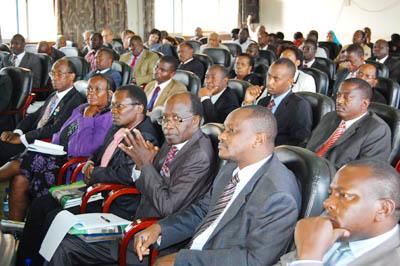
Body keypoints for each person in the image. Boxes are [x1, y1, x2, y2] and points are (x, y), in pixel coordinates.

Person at [47, 92, 217, 266]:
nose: (168, 125)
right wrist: (140, 166)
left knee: (67, 247)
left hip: (154, 240)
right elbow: (147, 181)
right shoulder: (176, 138)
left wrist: (145, 165)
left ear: (195, 120)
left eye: (176, 118)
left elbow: (168, 207)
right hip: (135, 223)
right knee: (62, 238)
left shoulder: (199, 155)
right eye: (165, 119)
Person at [130, 105, 301, 266]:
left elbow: (254, 260)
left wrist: (183, 260)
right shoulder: (232, 167)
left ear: (258, 139)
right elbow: (203, 211)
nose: (222, 136)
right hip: (196, 251)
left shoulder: (279, 195)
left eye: (231, 131)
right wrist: (160, 228)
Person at [16, 85, 161, 266]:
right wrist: (91, 162)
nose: (113, 111)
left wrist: (95, 173)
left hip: (114, 202)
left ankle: (39, 261)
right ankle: (26, 260)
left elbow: (127, 175)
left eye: (119, 106)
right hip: (97, 189)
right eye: (113, 105)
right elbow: (100, 150)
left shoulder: (144, 136)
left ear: (139, 108)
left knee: (54, 217)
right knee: (41, 204)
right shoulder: (120, 125)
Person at [0, 74, 113, 221]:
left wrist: (87, 119)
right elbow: (59, 135)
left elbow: (83, 150)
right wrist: (53, 148)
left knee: (24, 161)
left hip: (72, 167)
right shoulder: (82, 108)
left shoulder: (108, 118)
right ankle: (15, 231)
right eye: (89, 88)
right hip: (57, 156)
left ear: (109, 94)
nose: (91, 93)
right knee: (19, 180)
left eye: (97, 90)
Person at [274, 159, 400, 266]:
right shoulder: (331, 226)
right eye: (331, 193)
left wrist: (309, 258)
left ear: (384, 209)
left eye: (345, 196)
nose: (327, 203)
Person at [0, 58, 86, 167]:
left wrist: (22, 138)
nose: (54, 78)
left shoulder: (75, 100)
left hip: (42, 144)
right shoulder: (54, 95)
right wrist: (18, 132)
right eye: (52, 73)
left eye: (59, 74)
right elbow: (34, 116)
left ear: (71, 76)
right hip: (30, 137)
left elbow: (55, 128)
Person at [307, 78, 391, 170]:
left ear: (364, 103)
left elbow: (366, 172)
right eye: (338, 95)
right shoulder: (330, 117)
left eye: (346, 97)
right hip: (307, 168)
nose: (339, 101)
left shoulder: (378, 130)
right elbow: (309, 147)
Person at [243, 58, 313, 147]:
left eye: (276, 79)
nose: (269, 82)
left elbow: (300, 142)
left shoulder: (299, 106)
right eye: (269, 76)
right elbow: (248, 129)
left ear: (290, 82)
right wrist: (248, 102)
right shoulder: (263, 101)